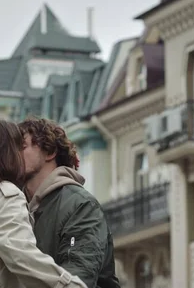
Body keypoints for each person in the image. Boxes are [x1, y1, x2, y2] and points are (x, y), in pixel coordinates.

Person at [0, 118, 87, 288]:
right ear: (3, 153)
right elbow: (23, 259)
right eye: (16, 147)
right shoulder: (5, 197)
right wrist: (70, 285)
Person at [18, 117, 120, 288]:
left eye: (22, 146)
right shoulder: (15, 207)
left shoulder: (80, 205)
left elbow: (79, 273)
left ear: (50, 152)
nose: (13, 154)